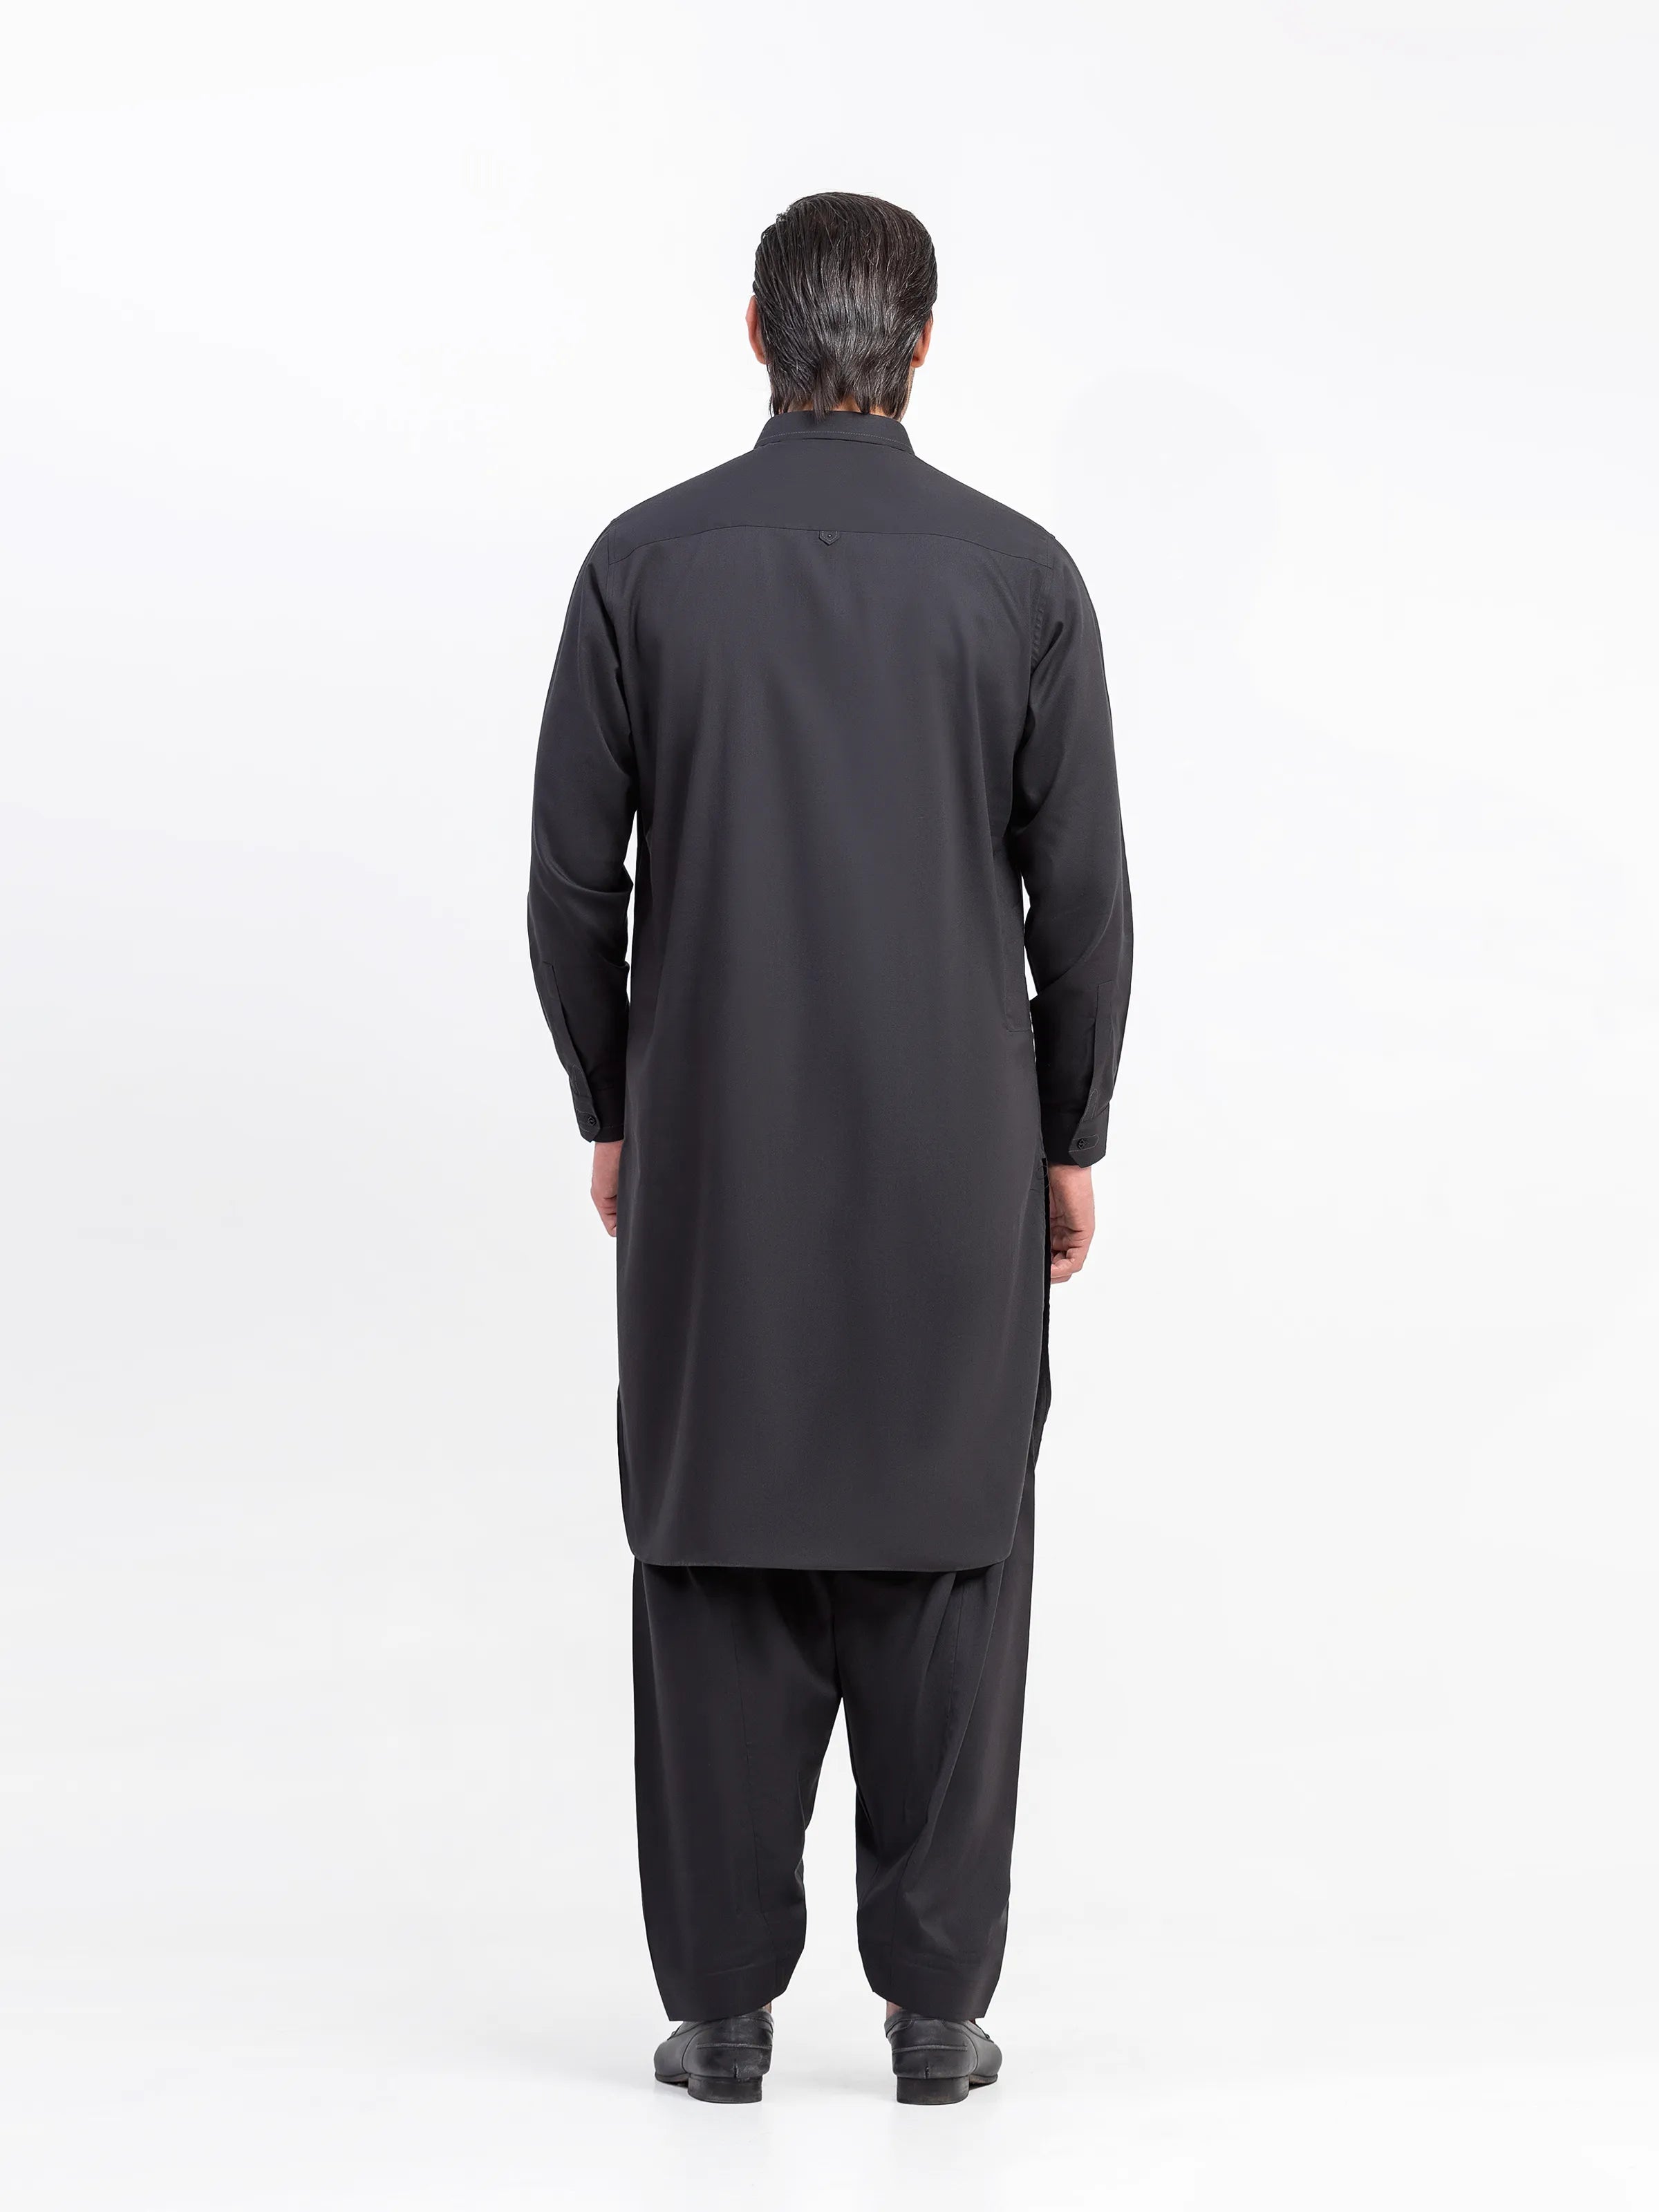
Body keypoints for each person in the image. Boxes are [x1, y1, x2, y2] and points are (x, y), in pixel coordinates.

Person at [527, 191, 1131, 2106]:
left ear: (757, 335)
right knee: (948, 1556)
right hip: (958, 1151)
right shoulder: (1020, 579)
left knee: (714, 1551)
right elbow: (1080, 902)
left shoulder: (642, 565)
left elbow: (572, 885)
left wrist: (614, 1101)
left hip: (713, 1150)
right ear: (922, 346)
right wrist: (1070, 1131)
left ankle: (719, 2015)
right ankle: (936, 2017)